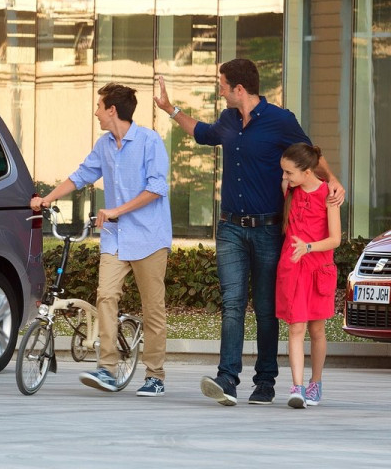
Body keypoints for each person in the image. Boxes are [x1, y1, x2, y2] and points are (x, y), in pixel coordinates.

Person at [155, 58, 344, 407]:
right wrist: (170, 109)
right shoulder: (227, 120)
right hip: (230, 228)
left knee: (266, 307)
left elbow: (309, 156)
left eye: (222, 85)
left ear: (239, 88)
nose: (220, 90)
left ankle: (266, 382)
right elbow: (201, 133)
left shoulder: (281, 120)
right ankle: (227, 379)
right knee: (232, 304)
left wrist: (333, 182)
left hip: (269, 229)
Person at [30, 82, 172, 395]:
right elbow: (82, 175)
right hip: (115, 238)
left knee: (153, 308)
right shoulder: (104, 144)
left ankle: (155, 376)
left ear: (112, 110)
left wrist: (117, 209)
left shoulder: (150, 141)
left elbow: (156, 189)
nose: (96, 113)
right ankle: (107, 369)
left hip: (149, 236)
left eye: (99, 107)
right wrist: (47, 198)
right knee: (106, 296)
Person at [276, 143, 341, 409]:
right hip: (292, 268)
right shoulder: (289, 190)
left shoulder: (329, 194)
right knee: (296, 327)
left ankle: (315, 382)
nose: (284, 178)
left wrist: (309, 247)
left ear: (306, 171)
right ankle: (297, 387)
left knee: (316, 329)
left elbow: (336, 239)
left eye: (289, 173)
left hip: (318, 268)